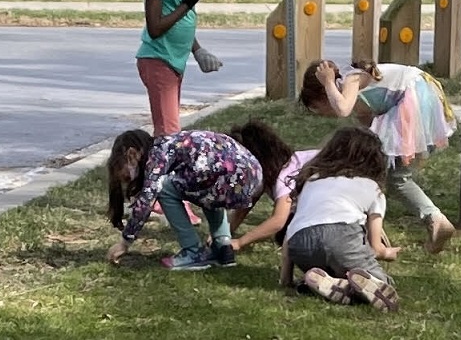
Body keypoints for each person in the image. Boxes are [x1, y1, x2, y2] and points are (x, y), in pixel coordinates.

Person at [299, 59, 457, 254]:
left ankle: (434, 219)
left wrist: (328, 82)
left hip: (413, 95)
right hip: (414, 95)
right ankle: (376, 224)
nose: (324, 114)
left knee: (395, 177)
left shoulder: (351, 78)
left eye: (319, 108)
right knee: (385, 173)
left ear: (323, 94)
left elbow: (342, 109)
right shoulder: (357, 97)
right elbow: (368, 132)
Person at [136, 0, 230, 225]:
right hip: (157, 61)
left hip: (175, 62)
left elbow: (183, 24)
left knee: (166, 134)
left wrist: (198, 49)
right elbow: (156, 27)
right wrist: (189, 2)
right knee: (169, 137)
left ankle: (152, 193)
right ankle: (164, 199)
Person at [280, 127, 401, 313]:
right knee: (380, 282)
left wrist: (285, 278)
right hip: (341, 238)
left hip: (301, 245)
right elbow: (375, 247)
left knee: (333, 269)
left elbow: (291, 229)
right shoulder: (373, 188)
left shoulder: (313, 180)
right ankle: (351, 287)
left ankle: (323, 284)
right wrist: (387, 253)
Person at [105, 129, 263, 270]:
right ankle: (223, 246)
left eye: (126, 175)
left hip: (227, 180)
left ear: (132, 154)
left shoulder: (157, 156)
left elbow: (146, 201)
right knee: (207, 184)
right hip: (252, 177)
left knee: (165, 188)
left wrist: (125, 242)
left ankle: (193, 251)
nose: (128, 180)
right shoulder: (172, 143)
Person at [226, 120, 318, 250]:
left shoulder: (285, 177)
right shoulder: (268, 175)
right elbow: (244, 206)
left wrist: (240, 242)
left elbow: (278, 221)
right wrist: (224, 234)